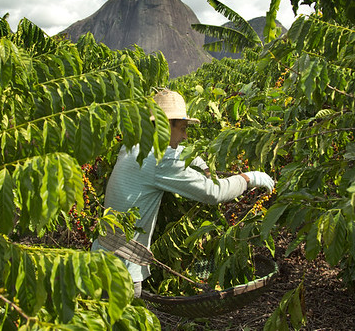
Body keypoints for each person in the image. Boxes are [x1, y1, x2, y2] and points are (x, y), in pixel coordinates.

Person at [91, 89, 275, 297]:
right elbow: (213, 193)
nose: (185, 135)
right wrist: (249, 178)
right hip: (121, 273)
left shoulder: (134, 145)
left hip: (99, 257)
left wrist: (202, 165)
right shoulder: (160, 160)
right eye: (182, 128)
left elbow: (176, 151)